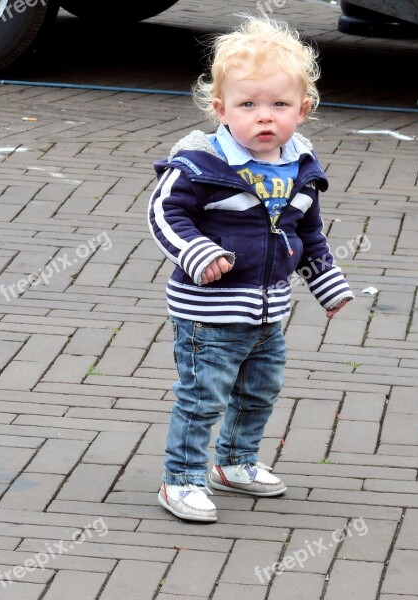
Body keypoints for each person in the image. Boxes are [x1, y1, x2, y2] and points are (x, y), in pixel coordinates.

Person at [148, 16, 353, 522]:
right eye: (248, 105)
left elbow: (307, 233)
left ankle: (235, 463)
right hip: (208, 314)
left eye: (279, 105)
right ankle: (182, 480)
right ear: (221, 110)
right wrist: (196, 252)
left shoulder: (300, 167)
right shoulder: (200, 164)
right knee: (202, 398)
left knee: (260, 390)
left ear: (303, 110)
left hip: (267, 314)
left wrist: (326, 281)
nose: (265, 117)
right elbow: (163, 213)